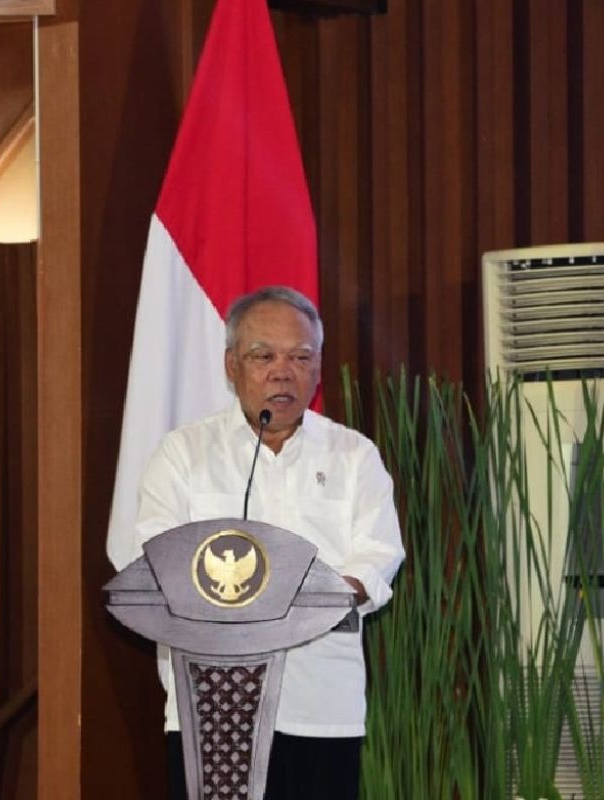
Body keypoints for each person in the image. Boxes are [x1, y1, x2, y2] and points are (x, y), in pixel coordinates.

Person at [125, 285, 405, 800]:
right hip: (212, 711)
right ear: (231, 365)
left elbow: (378, 557)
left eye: (300, 357)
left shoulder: (353, 456)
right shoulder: (184, 454)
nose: (283, 372)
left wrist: (304, 601)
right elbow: (159, 558)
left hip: (321, 707)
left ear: (318, 368)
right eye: (264, 356)